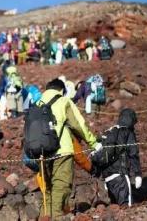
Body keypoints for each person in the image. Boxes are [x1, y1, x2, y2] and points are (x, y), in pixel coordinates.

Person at [40, 78, 100, 218]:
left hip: (41, 152)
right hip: (61, 150)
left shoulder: (37, 103)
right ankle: (57, 218)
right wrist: (93, 142)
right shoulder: (63, 101)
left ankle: (45, 216)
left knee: (48, 189)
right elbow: (78, 124)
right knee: (61, 186)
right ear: (61, 90)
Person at [93, 108, 142, 206]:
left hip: (108, 178)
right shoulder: (127, 132)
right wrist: (137, 174)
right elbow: (133, 153)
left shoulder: (110, 131)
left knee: (115, 207)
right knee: (126, 207)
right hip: (120, 175)